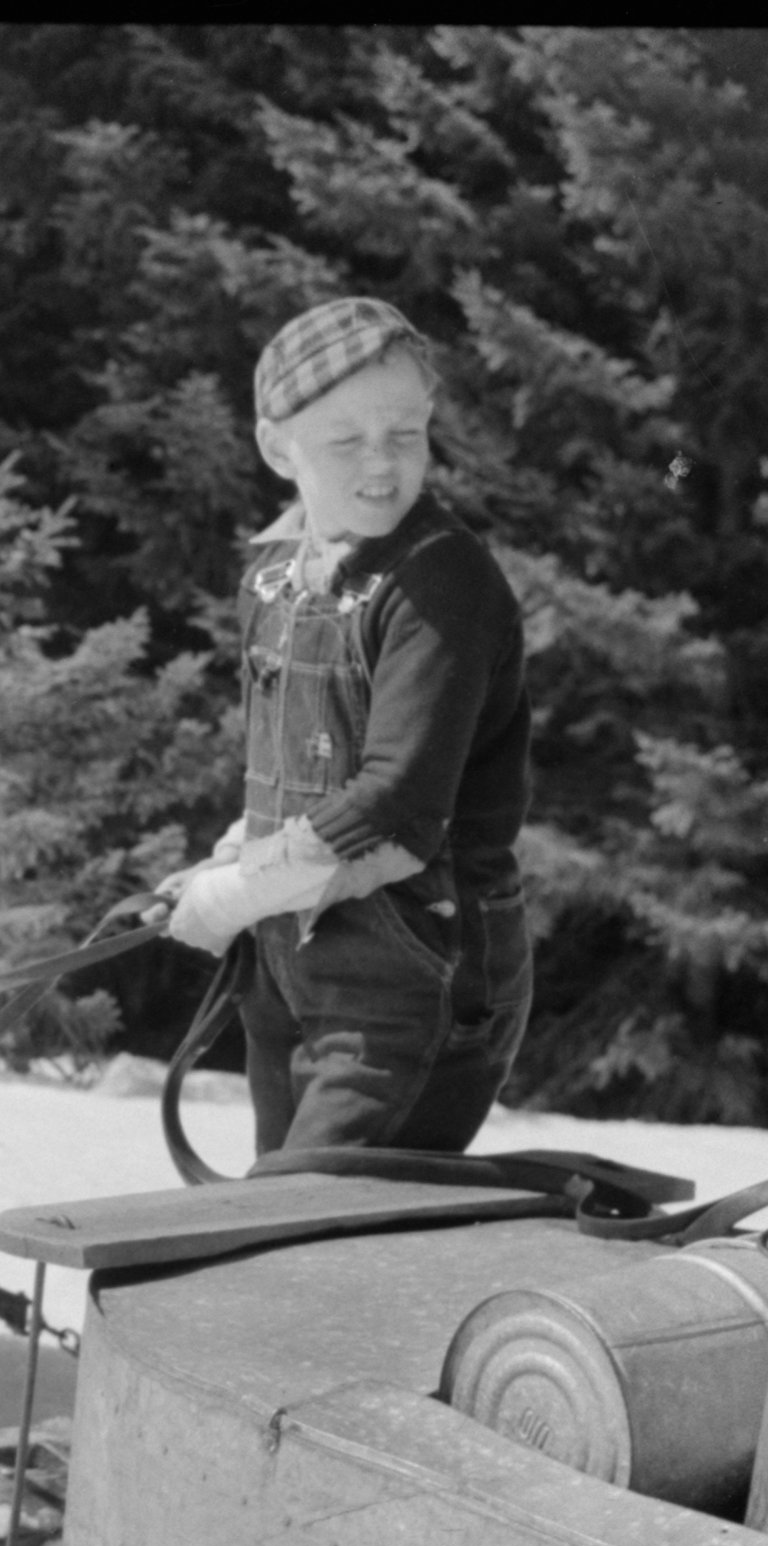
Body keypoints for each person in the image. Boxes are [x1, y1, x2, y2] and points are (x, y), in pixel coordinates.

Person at [159, 296, 533, 1157]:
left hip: (415, 974)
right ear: (274, 446)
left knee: (311, 1238)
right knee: (269, 1247)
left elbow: (397, 804)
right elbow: (291, 765)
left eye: (406, 435)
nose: (381, 465)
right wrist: (226, 856)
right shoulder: (272, 578)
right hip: (289, 966)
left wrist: (240, 892)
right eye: (345, 441)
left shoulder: (441, 581)